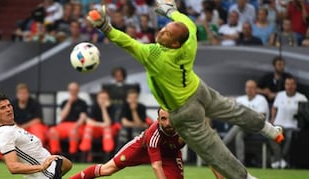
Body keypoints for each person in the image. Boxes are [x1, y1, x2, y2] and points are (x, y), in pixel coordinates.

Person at [86, 1, 284, 178]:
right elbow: (186, 20)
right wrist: (171, 11)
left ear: (173, 43)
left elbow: (127, 42)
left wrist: (105, 27)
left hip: (184, 111)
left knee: (212, 150)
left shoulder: (154, 55)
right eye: (165, 28)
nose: (162, 31)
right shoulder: (188, 40)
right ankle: (271, 130)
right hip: (198, 89)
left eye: (167, 33)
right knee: (234, 110)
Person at [70, 108, 185, 179]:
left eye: (170, 118)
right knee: (107, 169)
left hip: (170, 155)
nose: (167, 123)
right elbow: (156, 166)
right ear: (158, 120)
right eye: (163, 119)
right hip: (142, 149)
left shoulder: (186, 129)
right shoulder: (154, 133)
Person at [0, 93, 72, 178]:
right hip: (46, 174)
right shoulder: (5, 133)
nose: (8, 109)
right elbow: (13, 167)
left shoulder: (11, 127)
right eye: (3, 108)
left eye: (9, 105)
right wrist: (41, 167)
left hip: (51, 166)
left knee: (67, 163)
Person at [222, 80, 269, 164]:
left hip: (257, 128)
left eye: (252, 87)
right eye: (248, 87)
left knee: (238, 126)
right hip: (243, 127)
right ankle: (241, 162)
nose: (249, 89)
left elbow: (261, 117)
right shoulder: (240, 99)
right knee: (239, 135)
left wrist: (245, 118)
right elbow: (234, 114)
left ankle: (221, 146)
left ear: (256, 89)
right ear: (245, 89)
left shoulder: (261, 99)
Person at [269, 77, 308, 169]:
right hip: (279, 124)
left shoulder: (302, 97)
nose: (289, 86)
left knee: (289, 137)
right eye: (287, 84)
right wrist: (272, 118)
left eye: (292, 84)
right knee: (272, 136)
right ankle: (280, 159)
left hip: (293, 126)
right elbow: (274, 108)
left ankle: (279, 159)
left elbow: (306, 112)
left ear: (295, 85)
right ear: (285, 85)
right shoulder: (280, 95)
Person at [48, 82, 88, 155]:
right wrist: (69, 102)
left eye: (75, 90)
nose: (73, 92)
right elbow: (62, 116)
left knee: (73, 132)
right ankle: (55, 153)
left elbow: (83, 117)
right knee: (52, 131)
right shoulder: (65, 102)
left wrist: (76, 126)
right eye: (71, 90)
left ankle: (72, 154)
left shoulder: (82, 103)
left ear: (78, 91)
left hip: (76, 125)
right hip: (64, 125)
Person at [79, 90, 120, 158]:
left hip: (109, 129)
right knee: (88, 129)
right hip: (97, 129)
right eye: (101, 98)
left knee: (107, 130)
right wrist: (102, 124)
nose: (103, 100)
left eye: (105, 98)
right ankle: (84, 154)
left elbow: (108, 123)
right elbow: (89, 121)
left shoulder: (112, 107)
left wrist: (103, 108)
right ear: (97, 99)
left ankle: (107, 155)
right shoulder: (93, 106)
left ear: (108, 99)